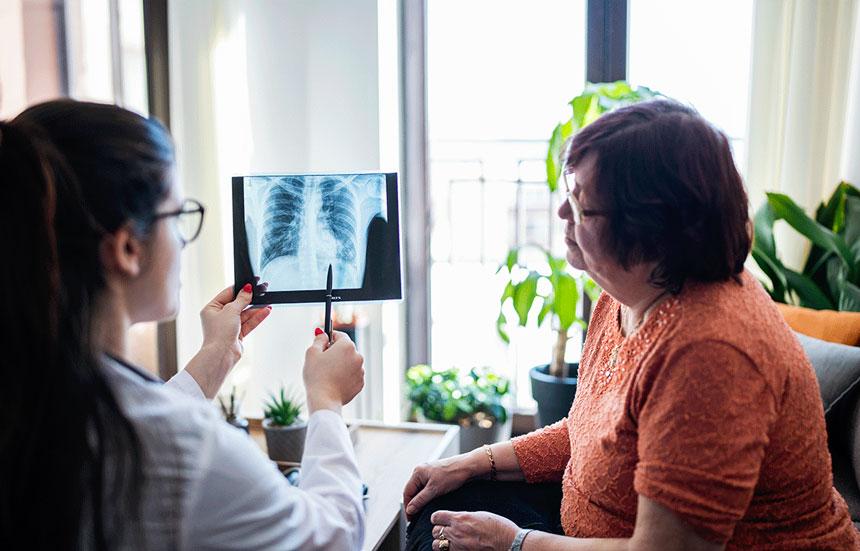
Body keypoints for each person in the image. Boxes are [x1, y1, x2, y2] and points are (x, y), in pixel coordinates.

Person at [403, 100, 860, 550]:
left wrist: (515, 543)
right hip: (592, 523)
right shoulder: (627, 290)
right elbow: (592, 433)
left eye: (583, 208)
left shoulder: (710, 355)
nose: (561, 214)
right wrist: (471, 463)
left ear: (651, 229)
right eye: (568, 191)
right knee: (439, 505)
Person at [0, 99, 366, 549]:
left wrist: (214, 359)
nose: (182, 241)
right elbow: (335, 538)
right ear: (128, 249)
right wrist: (327, 402)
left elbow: (129, 413)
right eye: (177, 216)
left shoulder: (28, 394)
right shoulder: (185, 451)